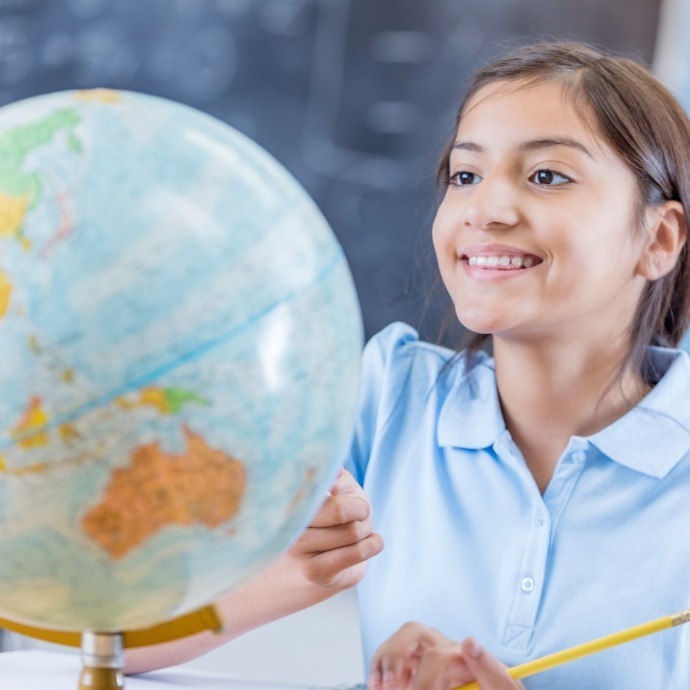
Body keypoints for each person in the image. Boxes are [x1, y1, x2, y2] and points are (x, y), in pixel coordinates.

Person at [127, 39, 690, 689]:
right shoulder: (391, 394)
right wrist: (290, 573)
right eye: (465, 176)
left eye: (547, 176)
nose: (487, 209)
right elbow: (110, 641)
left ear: (659, 238)